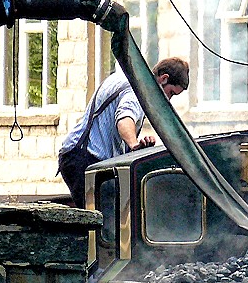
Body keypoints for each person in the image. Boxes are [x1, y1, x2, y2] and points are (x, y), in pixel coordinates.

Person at [58, 57, 189, 208]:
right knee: (100, 219)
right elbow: (124, 119)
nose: (168, 99)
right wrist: (134, 144)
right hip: (84, 159)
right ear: (163, 78)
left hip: (80, 157)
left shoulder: (126, 77)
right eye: (171, 93)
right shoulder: (138, 88)